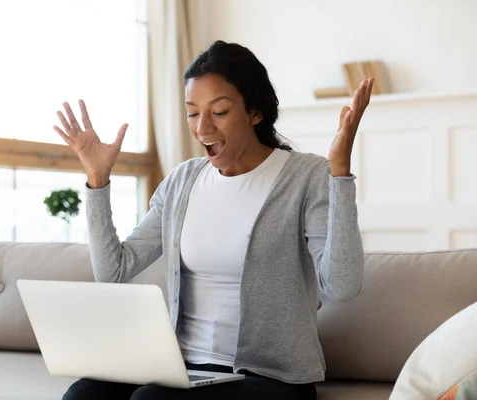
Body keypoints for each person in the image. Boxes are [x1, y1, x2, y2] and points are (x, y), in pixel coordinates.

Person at [53, 40, 371, 400]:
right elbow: (113, 271)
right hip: (181, 366)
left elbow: (342, 287)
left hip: (271, 379)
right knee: (83, 395)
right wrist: (98, 182)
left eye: (219, 111)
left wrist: (340, 174)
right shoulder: (182, 181)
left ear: (255, 112)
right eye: (192, 112)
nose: (203, 127)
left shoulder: (307, 176)